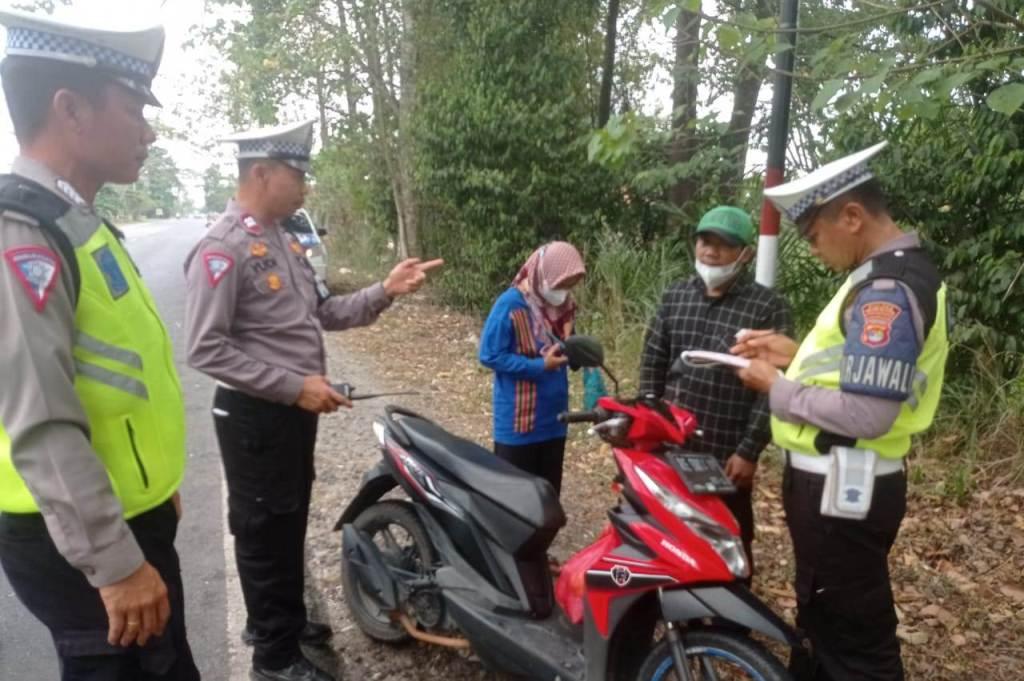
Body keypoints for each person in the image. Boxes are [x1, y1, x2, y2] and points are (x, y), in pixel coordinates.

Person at [184, 120, 442, 681]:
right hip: (255, 415)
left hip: (291, 415)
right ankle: (273, 657)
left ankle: (283, 620)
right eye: (297, 176)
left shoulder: (285, 240)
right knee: (262, 529)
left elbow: (324, 313)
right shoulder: (222, 248)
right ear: (261, 173)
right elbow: (204, 347)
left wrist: (384, 291)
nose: (305, 187)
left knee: (287, 520)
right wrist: (293, 386)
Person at [0, 10, 199, 681]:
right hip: (79, 541)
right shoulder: (22, 232)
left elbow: (117, 379)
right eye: (134, 108)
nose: (148, 131)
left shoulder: (75, 221)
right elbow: (43, 420)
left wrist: (153, 491)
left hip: (121, 516)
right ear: (71, 109)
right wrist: (113, 560)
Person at [733, 141, 950, 681]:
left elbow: (868, 414)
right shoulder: (893, 274)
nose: (813, 251)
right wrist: (792, 354)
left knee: (855, 647)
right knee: (823, 624)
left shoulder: (886, 290)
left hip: (843, 489)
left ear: (851, 216)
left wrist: (776, 388)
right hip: (841, 485)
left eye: (813, 237)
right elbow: (857, 370)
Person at [639, 205, 792, 578]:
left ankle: (731, 608)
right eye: (704, 241)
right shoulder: (676, 296)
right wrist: (648, 422)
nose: (711, 251)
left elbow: (772, 386)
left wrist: (749, 450)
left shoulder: (767, 307)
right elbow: (653, 362)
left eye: (723, 245)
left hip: (726, 450)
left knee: (730, 535)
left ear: (745, 254)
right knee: (670, 527)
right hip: (672, 440)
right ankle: (678, 604)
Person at [478, 242, 586, 496]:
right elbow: (489, 355)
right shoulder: (510, 305)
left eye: (569, 285)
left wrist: (577, 352)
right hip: (520, 421)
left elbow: (570, 352)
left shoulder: (563, 309)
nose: (563, 291)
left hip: (554, 419)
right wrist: (539, 365)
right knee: (515, 498)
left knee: (547, 494)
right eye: (561, 283)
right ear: (544, 274)